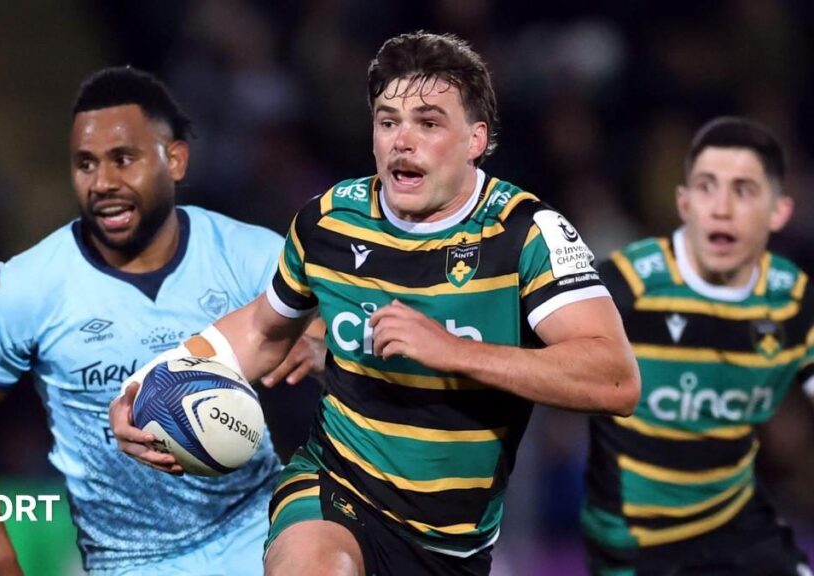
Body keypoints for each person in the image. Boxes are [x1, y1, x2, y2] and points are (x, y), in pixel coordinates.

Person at [110, 31, 640, 576]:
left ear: (475, 139)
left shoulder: (528, 233)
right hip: (335, 487)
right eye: (388, 122)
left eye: (428, 123)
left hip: (452, 544)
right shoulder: (329, 221)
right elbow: (263, 332)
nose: (401, 141)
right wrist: (147, 388)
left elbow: (616, 380)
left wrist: (453, 351)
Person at [0, 66, 324, 576]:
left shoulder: (250, 256)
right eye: (85, 164)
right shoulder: (29, 286)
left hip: (259, 531)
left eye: (123, 159)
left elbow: (345, 357)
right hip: (130, 560)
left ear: (175, 159)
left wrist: (320, 352)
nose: (102, 183)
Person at [581, 117, 814, 575]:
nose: (721, 208)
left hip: (736, 523)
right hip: (635, 542)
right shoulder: (626, 286)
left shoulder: (790, 298)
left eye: (743, 191)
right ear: (684, 202)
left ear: (778, 211)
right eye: (707, 188)